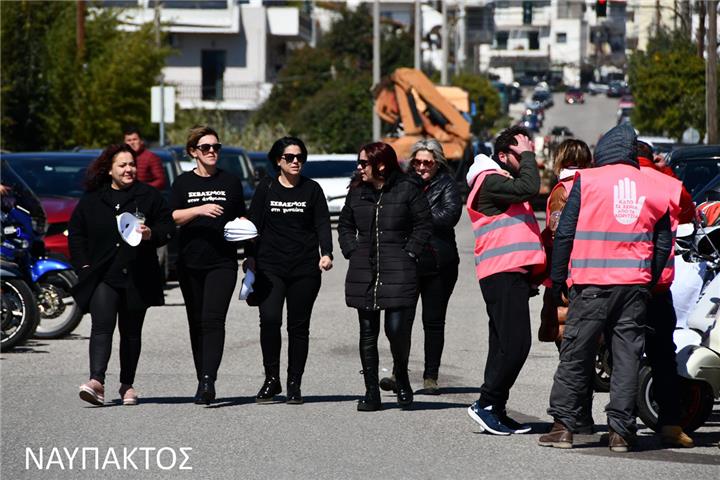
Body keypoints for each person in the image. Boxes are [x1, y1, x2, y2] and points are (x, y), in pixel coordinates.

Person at [539, 123, 673, 452]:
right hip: (634, 286)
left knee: (576, 353)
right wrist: (648, 278)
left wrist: (557, 281)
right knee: (627, 357)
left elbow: (566, 233)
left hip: (591, 284)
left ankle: (564, 427)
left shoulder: (587, 181)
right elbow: (662, 243)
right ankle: (621, 433)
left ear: (604, 153)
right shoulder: (656, 186)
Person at [69, 144, 174, 406]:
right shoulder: (92, 198)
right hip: (104, 274)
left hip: (138, 275)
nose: (129, 170)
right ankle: (96, 382)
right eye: (122, 165)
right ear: (109, 169)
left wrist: (152, 234)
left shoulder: (148, 196)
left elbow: (168, 226)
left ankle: (127, 385)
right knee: (102, 327)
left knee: (131, 332)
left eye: (132, 165)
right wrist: (83, 267)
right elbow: (77, 234)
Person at [464, 126, 546, 435]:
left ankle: (495, 409)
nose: (528, 157)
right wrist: (528, 156)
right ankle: (486, 404)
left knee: (501, 345)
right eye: (522, 151)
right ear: (502, 156)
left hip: (510, 273)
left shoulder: (500, 182)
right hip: (501, 273)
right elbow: (530, 187)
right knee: (516, 345)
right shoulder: (490, 181)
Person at [338, 142, 432, 411]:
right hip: (364, 270)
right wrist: (351, 250)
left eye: (363, 163)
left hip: (399, 268)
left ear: (380, 164)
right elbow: (345, 224)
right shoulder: (357, 192)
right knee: (367, 332)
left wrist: (410, 253)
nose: (359, 168)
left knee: (396, 330)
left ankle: (401, 376)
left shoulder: (406, 189)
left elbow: (423, 224)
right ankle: (371, 393)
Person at [244, 137, 333, 404]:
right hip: (270, 267)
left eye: (300, 157)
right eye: (290, 157)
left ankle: (295, 382)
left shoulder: (312, 189)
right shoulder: (266, 188)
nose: (296, 162)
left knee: (298, 327)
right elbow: (252, 226)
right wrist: (250, 259)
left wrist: (326, 253)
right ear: (278, 161)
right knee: (270, 320)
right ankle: (272, 379)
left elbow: (322, 224)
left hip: (304, 268)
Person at [170, 125, 247, 405]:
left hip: (222, 262)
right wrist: (199, 210)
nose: (212, 151)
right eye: (206, 148)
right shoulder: (182, 184)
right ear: (193, 152)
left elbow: (243, 218)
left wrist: (249, 251)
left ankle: (207, 381)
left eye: (216, 147)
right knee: (196, 322)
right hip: (189, 262)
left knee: (213, 320)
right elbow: (173, 217)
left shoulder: (230, 182)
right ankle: (201, 374)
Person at [379, 139, 461, 395]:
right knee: (401, 320)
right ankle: (397, 372)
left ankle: (430, 377)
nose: (422, 167)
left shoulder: (447, 184)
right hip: (407, 261)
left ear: (437, 163)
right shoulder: (402, 183)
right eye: (417, 162)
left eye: (427, 162)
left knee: (433, 322)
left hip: (439, 262)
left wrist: (414, 216)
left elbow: (449, 216)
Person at [636, 140, 694, 448]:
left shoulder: (613, 180)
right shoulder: (668, 182)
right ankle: (670, 422)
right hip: (659, 283)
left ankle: (618, 424)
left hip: (619, 281)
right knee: (663, 356)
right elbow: (687, 215)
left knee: (623, 354)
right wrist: (665, 170)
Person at [539, 139, 593, 346]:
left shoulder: (563, 189)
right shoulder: (592, 185)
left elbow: (557, 231)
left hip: (566, 266)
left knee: (565, 330)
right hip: (589, 263)